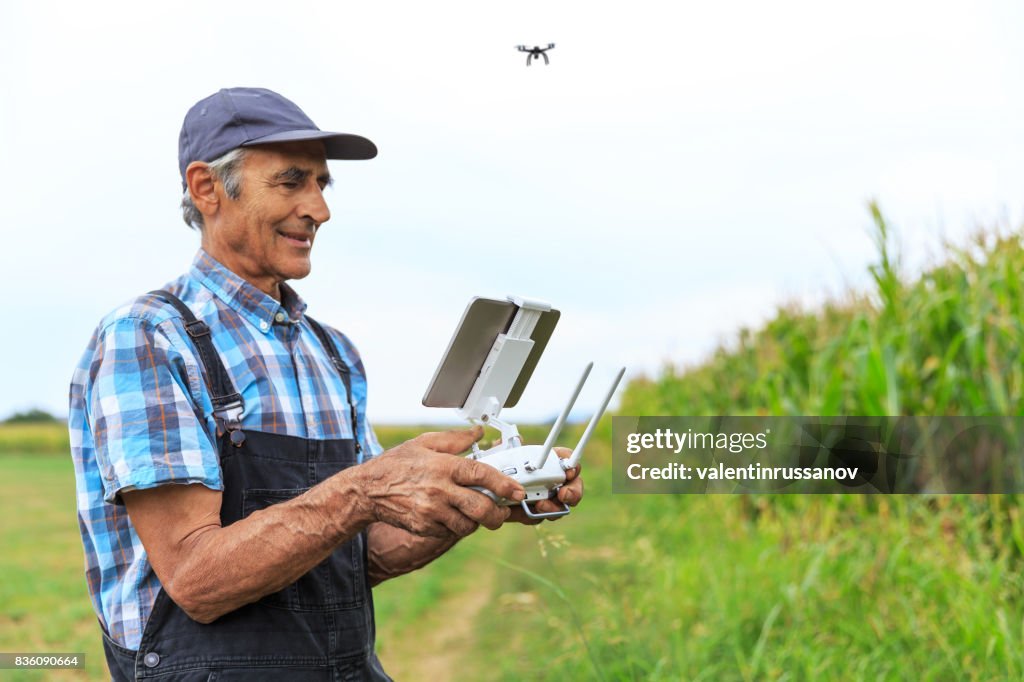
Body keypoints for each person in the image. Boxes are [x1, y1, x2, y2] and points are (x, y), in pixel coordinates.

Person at [68, 87, 584, 681]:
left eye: (322, 184)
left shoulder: (332, 353)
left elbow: (358, 559)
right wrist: (364, 489)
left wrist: (482, 491)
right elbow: (194, 579)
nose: (319, 208)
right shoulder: (150, 336)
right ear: (207, 188)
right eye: (291, 182)